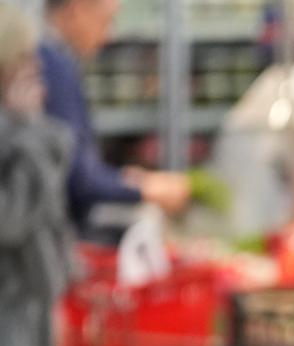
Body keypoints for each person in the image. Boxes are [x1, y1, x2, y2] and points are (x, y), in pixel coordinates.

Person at [37, 0, 190, 228]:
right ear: (77, 10)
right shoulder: (54, 68)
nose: (109, 35)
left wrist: (124, 179)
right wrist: (142, 188)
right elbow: (77, 180)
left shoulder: (46, 60)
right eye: (106, 21)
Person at [0, 6, 74, 346]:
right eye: (24, 57)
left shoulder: (14, 126)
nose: (35, 66)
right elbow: (9, 220)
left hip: (19, 304)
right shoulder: (16, 130)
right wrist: (28, 130)